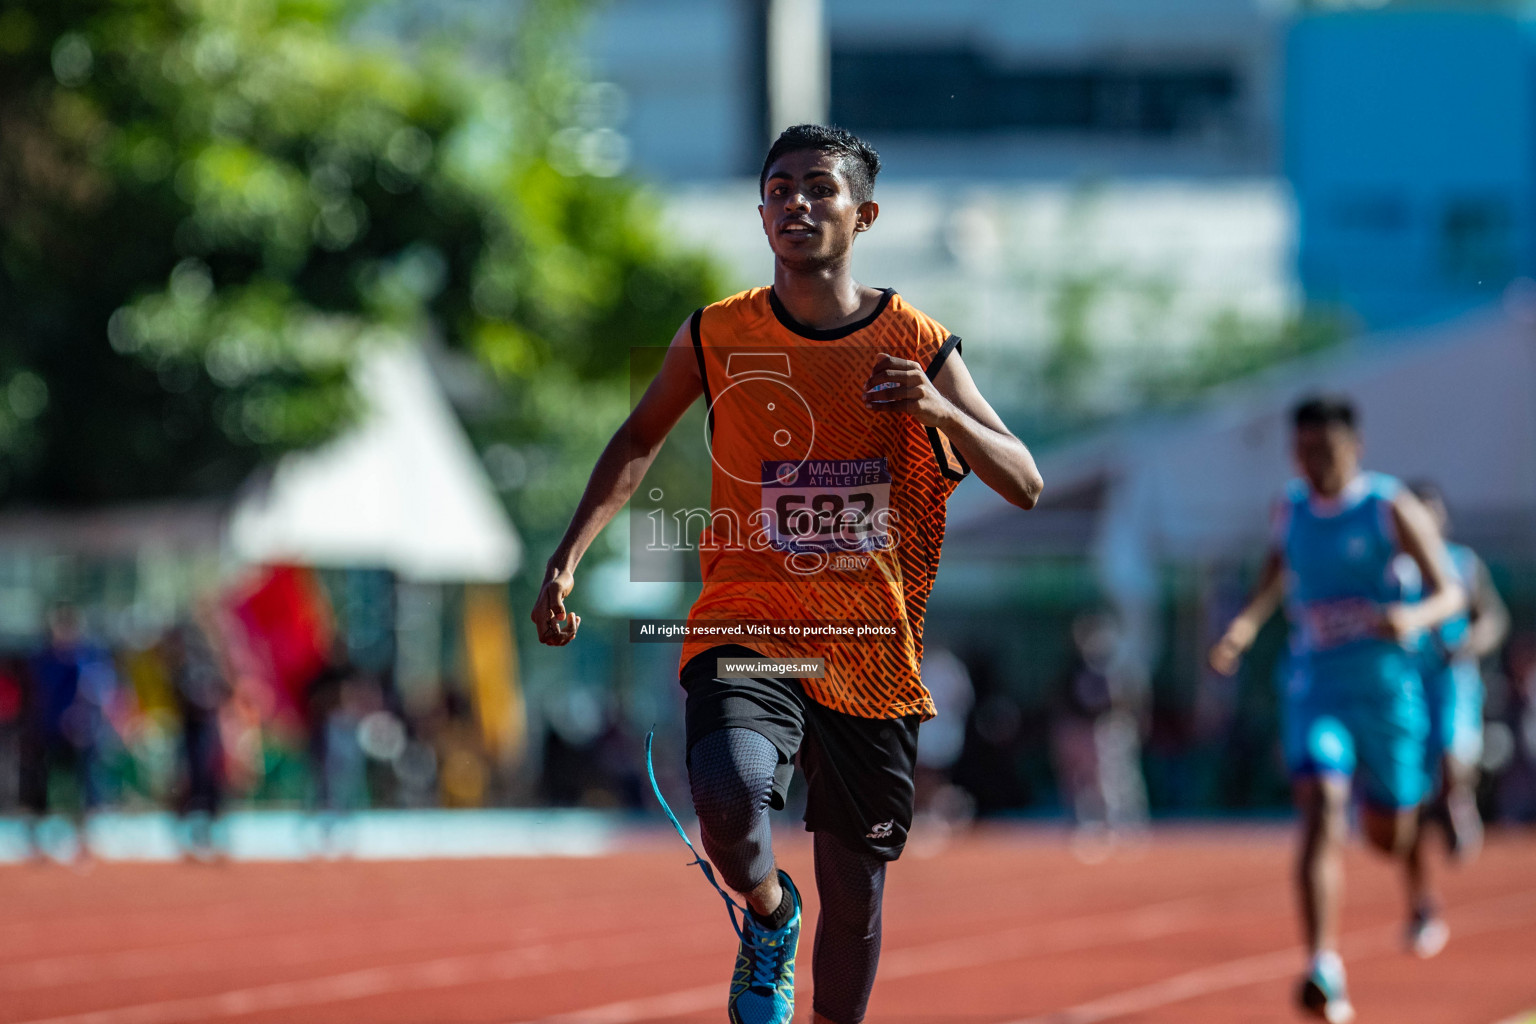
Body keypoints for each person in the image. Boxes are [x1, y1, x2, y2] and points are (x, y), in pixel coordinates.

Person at [532, 124, 1042, 1024]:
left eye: (819, 188)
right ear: (760, 210)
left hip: (870, 649)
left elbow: (1025, 480)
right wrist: (567, 557)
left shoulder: (916, 338)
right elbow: (638, 436)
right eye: (779, 190)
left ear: (864, 213)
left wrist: (935, 406)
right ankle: (770, 915)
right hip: (747, 621)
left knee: (859, 890)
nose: (796, 204)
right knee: (727, 798)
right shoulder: (718, 332)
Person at [1209, 395, 1465, 1024]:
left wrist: (1412, 615)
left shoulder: (1387, 507)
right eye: (1303, 452)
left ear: (1356, 447)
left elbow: (1451, 591)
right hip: (1315, 690)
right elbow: (1272, 577)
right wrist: (1244, 626)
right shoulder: (1290, 508)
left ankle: (1413, 867)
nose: (1313, 463)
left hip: (1386, 699)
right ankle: (1323, 963)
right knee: (1320, 806)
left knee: (1388, 833)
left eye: (1325, 450)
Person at [1404, 481, 1506, 869]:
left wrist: (1468, 645)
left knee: (1452, 755)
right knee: (1413, 777)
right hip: (1407, 683)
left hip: (1453, 679)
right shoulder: (1394, 568)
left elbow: (1493, 618)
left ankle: (1458, 799)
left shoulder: (1464, 563)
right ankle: (1430, 817)